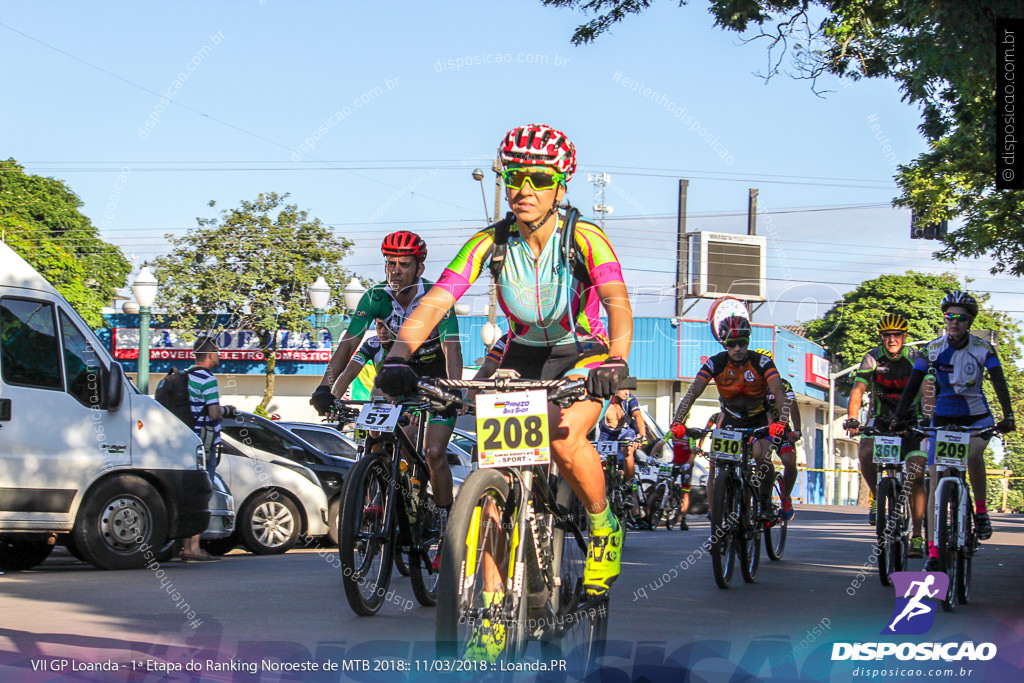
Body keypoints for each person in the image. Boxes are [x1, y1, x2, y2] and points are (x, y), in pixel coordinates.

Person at [374, 124, 633, 609]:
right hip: (521, 351)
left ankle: (603, 525)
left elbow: (617, 300)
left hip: (583, 351)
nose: (524, 190)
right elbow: (435, 302)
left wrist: (616, 361)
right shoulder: (490, 241)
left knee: (561, 435)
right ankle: (492, 608)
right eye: (515, 177)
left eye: (537, 177)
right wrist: (397, 357)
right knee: (494, 472)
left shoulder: (584, 236)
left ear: (560, 184)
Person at [311, 232, 463, 515]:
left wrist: (454, 390)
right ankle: (380, 500)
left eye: (404, 264)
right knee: (376, 440)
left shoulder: (437, 296)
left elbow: (452, 350)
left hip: (436, 375)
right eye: (390, 263)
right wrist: (326, 389)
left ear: (420, 268)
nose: (396, 270)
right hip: (398, 373)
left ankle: (446, 518)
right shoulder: (375, 298)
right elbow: (347, 347)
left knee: (434, 453)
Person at [891, 292, 1015, 569]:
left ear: (969, 321)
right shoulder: (933, 349)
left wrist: (1008, 416)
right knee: (935, 482)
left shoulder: (984, 349)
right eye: (950, 317)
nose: (954, 322)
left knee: (973, 456)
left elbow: (999, 382)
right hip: (942, 419)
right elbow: (913, 383)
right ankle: (934, 551)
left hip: (977, 418)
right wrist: (899, 417)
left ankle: (981, 511)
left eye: (960, 318)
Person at [669, 317, 797, 522]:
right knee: (716, 465)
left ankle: (764, 502)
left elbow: (779, 391)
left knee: (762, 458)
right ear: (723, 343)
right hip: (730, 419)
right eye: (731, 344)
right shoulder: (715, 362)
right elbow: (693, 392)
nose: (737, 348)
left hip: (759, 420)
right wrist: (677, 421)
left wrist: (781, 421)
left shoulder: (761, 362)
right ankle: (717, 514)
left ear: (748, 341)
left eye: (742, 343)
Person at [842, 315, 928, 558]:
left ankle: (918, 535)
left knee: (916, 474)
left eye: (897, 335)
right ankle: (876, 495)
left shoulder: (915, 358)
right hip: (883, 419)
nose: (892, 339)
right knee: (865, 452)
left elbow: (926, 388)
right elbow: (858, 389)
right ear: (881, 338)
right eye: (887, 335)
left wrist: (928, 418)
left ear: (904, 337)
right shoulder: (872, 357)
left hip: (912, 421)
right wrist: (852, 418)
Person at [183, 335, 224, 562]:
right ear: (209, 355)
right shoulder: (208, 378)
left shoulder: (186, 376)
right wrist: (223, 411)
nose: (218, 356)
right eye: (216, 352)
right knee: (202, 493)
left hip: (187, 441)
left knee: (189, 492)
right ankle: (194, 547)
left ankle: (185, 544)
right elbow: (213, 412)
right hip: (205, 442)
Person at [756, 348, 802, 521]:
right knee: (759, 460)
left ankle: (785, 497)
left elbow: (793, 407)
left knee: (790, 461)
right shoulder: (752, 385)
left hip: (781, 430)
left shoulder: (783, 384)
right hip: (759, 429)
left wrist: (797, 430)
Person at [597, 387, 647, 499]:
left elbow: (638, 416)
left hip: (625, 432)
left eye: (629, 389)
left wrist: (642, 436)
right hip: (607, 435)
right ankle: (603, 492)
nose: (627, 392)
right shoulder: (603, 400)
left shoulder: (629, 399)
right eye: (624, 389)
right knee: (600, 462)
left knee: (628, 451)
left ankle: (628, 488)